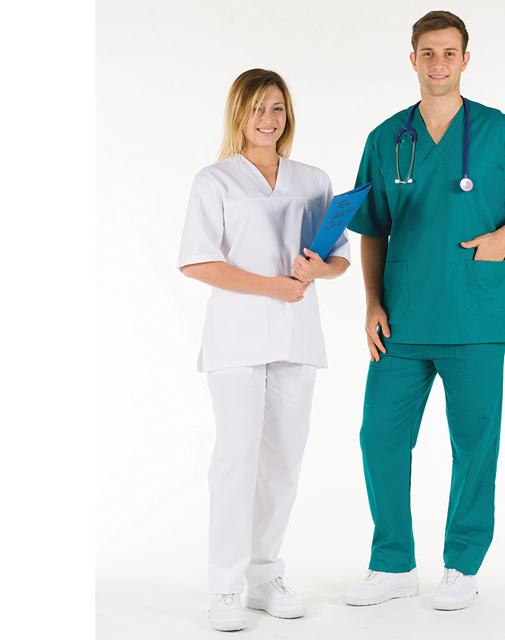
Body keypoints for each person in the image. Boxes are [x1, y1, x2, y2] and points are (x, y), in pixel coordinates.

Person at [340, 11, 505, 612]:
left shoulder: (500, 131)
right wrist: (371, 302)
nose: (438, 63)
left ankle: (462, 565)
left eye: (449, 53)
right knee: (379, 438)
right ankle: (392, 564)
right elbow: (372, 227)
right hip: (403, 320)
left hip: (474, 317)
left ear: (465, 60)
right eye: (428, 53)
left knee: (473, 445)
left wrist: (503, 238)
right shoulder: (386, 138)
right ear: (412, 59)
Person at [178, 68, 350, 632]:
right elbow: (196, 261)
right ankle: (225, 587)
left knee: (283, 462)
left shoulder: (313, 179)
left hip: (297, 335)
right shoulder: (216, 180)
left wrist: (318, 269)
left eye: (277, 108)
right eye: (256, 108)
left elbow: (340, 258)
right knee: (236, 457)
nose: (268, 119)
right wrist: (273, 286)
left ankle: (263, 575)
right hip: (238, 337)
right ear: (238, 114)